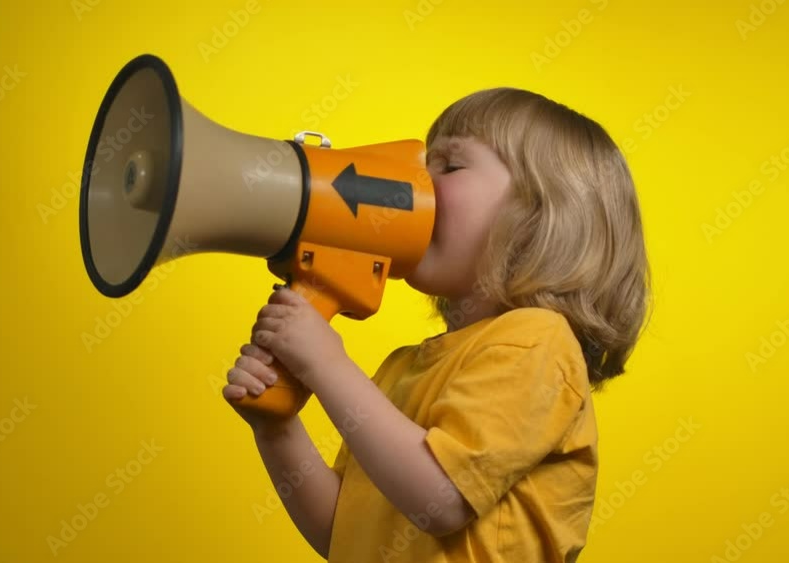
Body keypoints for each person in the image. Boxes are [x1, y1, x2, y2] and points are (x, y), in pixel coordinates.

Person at [222, 87, 651, 562]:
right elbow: (340, 534)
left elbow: (440, 500)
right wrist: (277, 430)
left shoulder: (537, 344)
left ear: (540, 214)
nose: (417, 186)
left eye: (449, 166)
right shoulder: (406, 367)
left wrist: (325, 364)